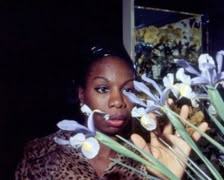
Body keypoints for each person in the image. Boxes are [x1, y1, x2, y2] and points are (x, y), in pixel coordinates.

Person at [15, 41, 208, 179]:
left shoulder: (150, 156)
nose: (118, 101)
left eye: (127, 90)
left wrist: (169, 178)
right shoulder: (39, 155)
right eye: (102, 89)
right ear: (81, 94)